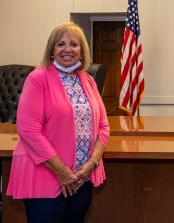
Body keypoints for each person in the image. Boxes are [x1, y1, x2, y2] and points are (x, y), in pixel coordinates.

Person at [7, 22, 110, 222]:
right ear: (52, 51)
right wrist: (62, 172)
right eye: (60, 44)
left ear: (82, 51)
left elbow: (104, 127)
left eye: (74, 44)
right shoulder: (37, 78)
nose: (67, 49)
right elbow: (29, 130)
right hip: (46, 175)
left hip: (81, 178)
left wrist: (92, 163)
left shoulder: (88, 80)